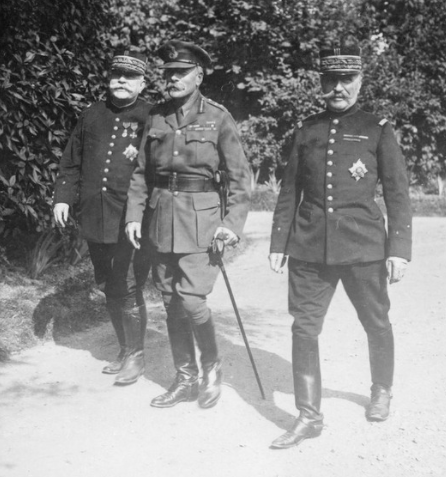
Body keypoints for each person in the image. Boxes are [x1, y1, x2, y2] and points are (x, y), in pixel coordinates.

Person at [268, 37, 412, 449]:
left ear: (360, 80)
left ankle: (381, 389)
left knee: (376, 321)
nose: (338, 88)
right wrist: (279, 241)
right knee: (304, 327)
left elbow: (398, 193)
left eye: (347, 79)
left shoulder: (377, 129)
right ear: (321, 82)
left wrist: (398, 249)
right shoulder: (306, 129)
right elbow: (288, 190)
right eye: (331, 79)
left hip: (364, 246)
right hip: (310, 246)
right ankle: (308, 415)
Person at [125, 40, 251, 409]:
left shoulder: (218, 116)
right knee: (170, 302)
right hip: (161, 219)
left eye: (181, 72)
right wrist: (134, 215)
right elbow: (140, 173)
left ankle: (211, 369)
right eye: (168, 73)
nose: (173, 78)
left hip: (202, 223)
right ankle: (185, 377)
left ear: (199, 74)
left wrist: (232, 224)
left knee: (192, 300)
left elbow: (241, 179)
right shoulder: (157, 116)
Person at [53, 49, 152, 385]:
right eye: (116, 75)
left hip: (130, 217)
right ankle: (125, 349)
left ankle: (136, 356)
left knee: (126, 284)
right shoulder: (92, 114)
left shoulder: (151, 117)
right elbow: (71, 161)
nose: (121, 81)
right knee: (106, 284)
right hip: (95, 215)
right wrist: (63, 198)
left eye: (130, 76)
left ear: (142, 83)